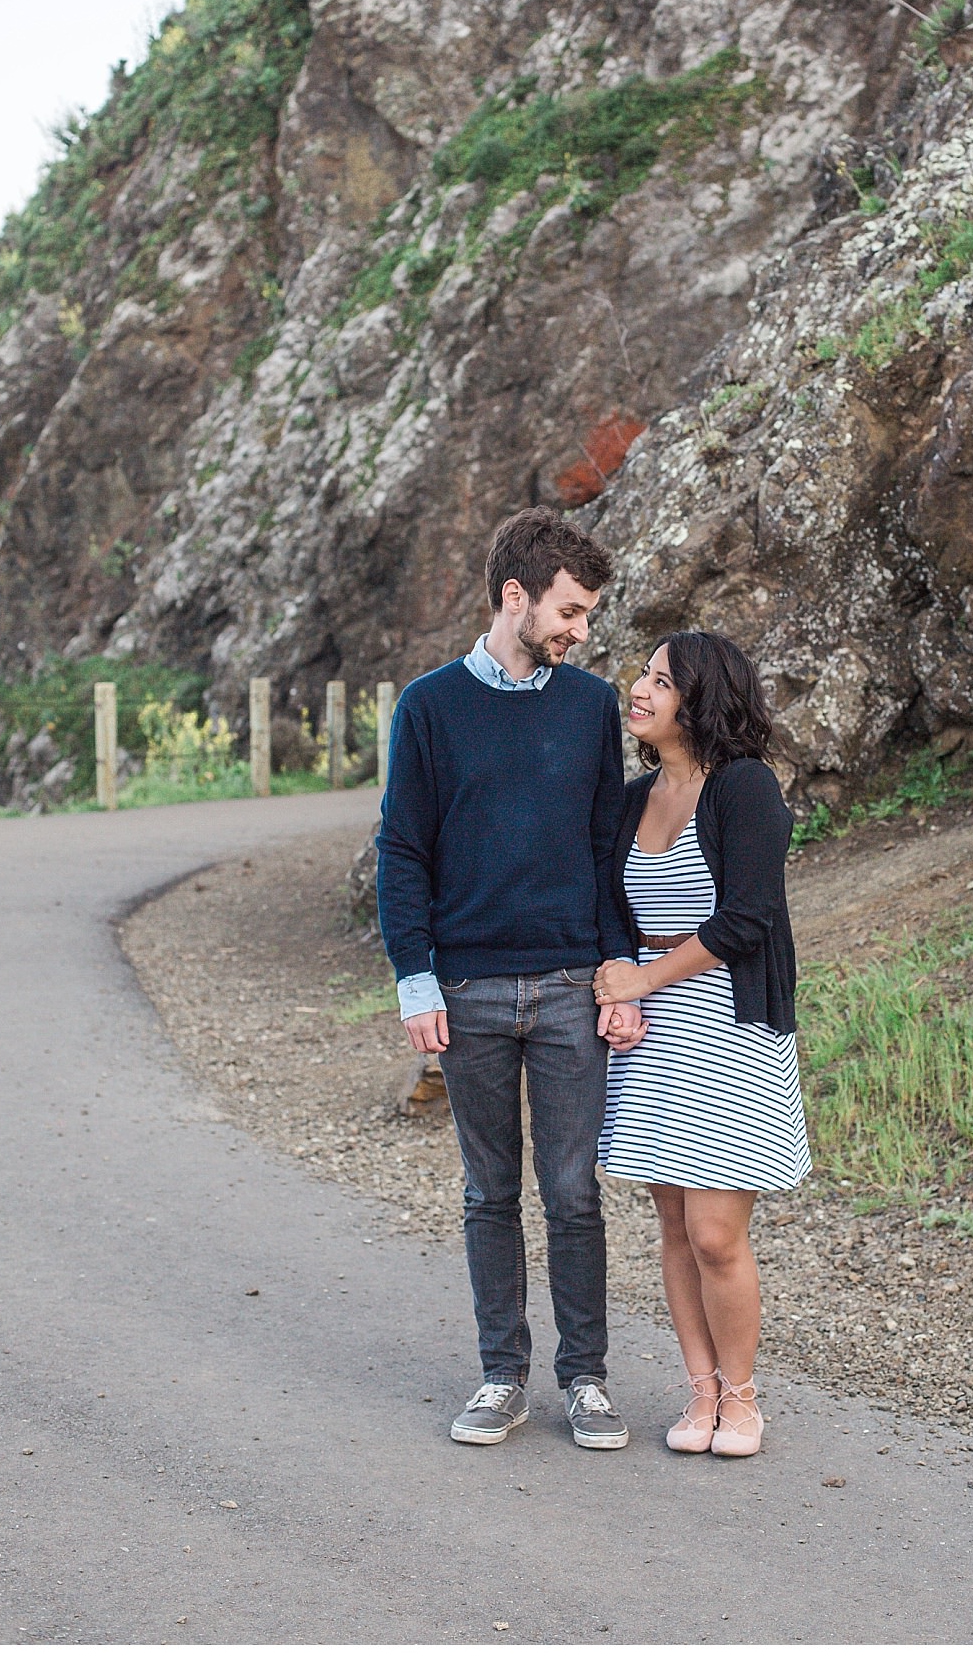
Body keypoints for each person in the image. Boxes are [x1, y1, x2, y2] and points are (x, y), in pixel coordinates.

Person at [377, 508, 645, 1451]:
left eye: (588, 617)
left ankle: (587, 1379)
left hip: (575, 987)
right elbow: (402, 852)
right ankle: (502, 1375)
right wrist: (416, 979)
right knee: (489, 1192)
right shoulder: (429, 707)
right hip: (471, 993)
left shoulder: (588, 706)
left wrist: (620, 977)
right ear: (516, 597)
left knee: (573, 1193)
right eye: (570, 611)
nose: (580, 632)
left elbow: (606, 849)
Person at [593, 631, 811, 1458]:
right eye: (642, 676)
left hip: (727, 1021)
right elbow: (608, 902)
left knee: (717, 1232)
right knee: (675, 1228)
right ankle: (700, 1393)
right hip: (650, 1032)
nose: (639, 690)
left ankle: (744, 1399)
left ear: (702, 697)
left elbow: (749, 916)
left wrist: (643, 981)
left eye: (660, 679)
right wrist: (619, 979)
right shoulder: (629, 797)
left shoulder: (746, 788)